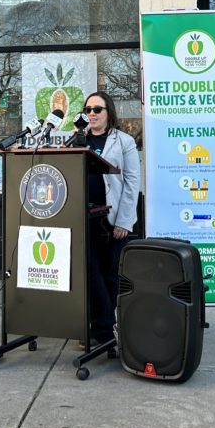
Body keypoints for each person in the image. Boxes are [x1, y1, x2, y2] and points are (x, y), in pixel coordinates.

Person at [82, 90, 140, 344]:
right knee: (90, 274)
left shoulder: (124, 141)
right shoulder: (77, 140)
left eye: (97, 109)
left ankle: (107, 327)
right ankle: (101, 329)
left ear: (109, 113)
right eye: (88, 110)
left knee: (110, 275)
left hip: (112, 218)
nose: (91, 114)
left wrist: (125, 221)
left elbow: (131, 182)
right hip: (83, 217)